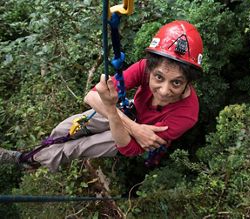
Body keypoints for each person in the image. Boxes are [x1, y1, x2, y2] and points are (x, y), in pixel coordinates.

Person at [0, 20, 203, 172]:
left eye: (176, 82)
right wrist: (135, 127)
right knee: (65, 128)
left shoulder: (187, 114)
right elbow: (91, 97)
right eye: (159, 78)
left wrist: (119, 119)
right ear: (150, 69)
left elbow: (129, 149)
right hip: (130, 115)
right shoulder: (144, 68)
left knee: (77, 148)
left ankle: (27, 160)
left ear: (188, 81)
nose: (165, 90)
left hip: (126, 138)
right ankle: (41, 153)